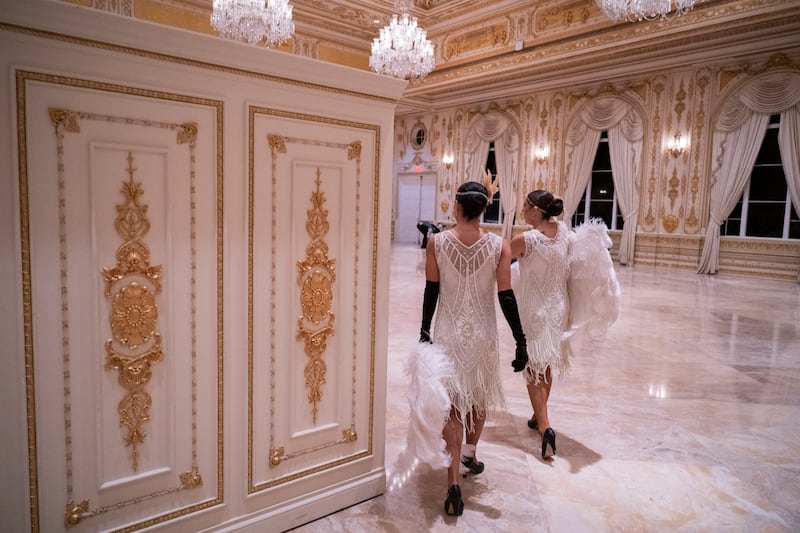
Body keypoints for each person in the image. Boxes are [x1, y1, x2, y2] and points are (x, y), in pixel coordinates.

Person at [419, 181, 529, 516]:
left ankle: (453, 479)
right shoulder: (499, 246)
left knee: (451, 404)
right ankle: (470, 453)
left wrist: (424, 331)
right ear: (484, 209)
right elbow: (506, 296)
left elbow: (431, 291)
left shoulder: (436, 242)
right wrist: (521, 340)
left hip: (449, 332)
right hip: (482, 333)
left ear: (456, 207)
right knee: (477, 398)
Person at [509, 189, 571, 459]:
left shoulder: (526, 240)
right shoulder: (565, 231)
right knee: (544, 365)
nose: (522, 211)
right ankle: (538, 414)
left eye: (525, 206)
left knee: (533, 369)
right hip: (559, 308)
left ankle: (545, 426)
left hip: (534, 310)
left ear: (536, 210)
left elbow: (496, 258)